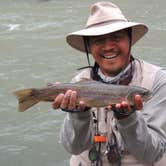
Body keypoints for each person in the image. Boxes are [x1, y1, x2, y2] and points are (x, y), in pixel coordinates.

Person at [52, 2, 166, 166]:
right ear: (89, 47)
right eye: (98, 41)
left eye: (116, 37)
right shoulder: (78, 83)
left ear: (130, 40)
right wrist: (78, 115)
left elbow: (151, 154)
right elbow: (74, 148)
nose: (108, 47)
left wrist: (128, 118)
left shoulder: (158, 81)